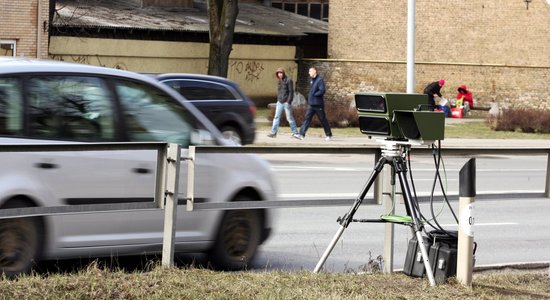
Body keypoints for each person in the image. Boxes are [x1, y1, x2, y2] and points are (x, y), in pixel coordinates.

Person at [296, 67, 333, 141]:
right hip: (311, 104)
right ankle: (301, 134)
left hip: (318, 105)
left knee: (323, 120)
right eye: (309, 71)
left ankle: (329, 135)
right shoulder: (311, 80)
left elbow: (322, 90)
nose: (309, 72)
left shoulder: (319, 80)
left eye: (310, 71)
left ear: (315, 71)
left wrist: (315, 95)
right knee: (306, 119)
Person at [268, 67, 300, 139]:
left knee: (289, 118)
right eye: (278, 73)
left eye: (281, 73)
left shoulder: (289, 80)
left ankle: (295, 133)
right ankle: (273, 133)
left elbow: (291, 92)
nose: (279, 75)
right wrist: (278, 99)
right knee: (276, 117)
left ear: (283, 73)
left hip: (286, 103)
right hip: (279, 102)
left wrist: (288, 102)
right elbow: (279, 92)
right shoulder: (279, 81)